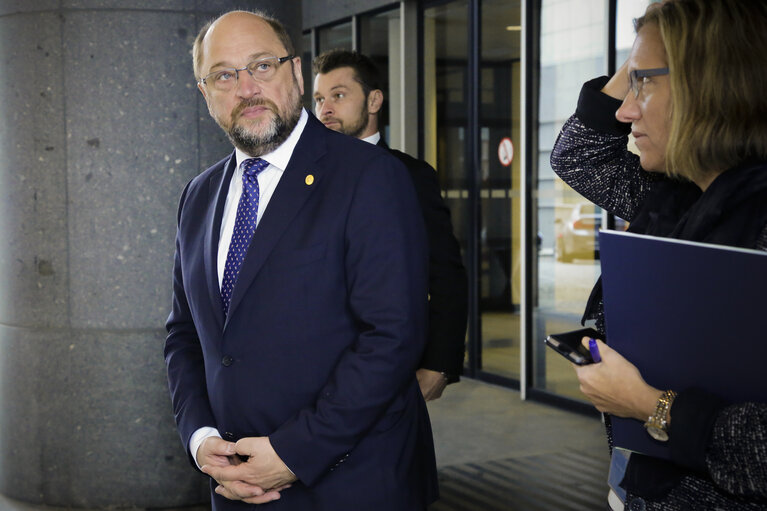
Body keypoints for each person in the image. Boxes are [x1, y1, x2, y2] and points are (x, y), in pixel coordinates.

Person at [164, 10, 438, 510]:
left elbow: (393, 335)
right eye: (224, 74)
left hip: (353, 484)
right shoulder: (198, 195)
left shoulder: (370, 176)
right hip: (235, 485)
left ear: (294, 71)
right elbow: (184, 333)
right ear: (205, 93)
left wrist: (293, 451)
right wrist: (201, 438)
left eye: (262, 66)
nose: (246, 87)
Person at [550, 1, 767, 509]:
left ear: (710, 87)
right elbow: (578, 152)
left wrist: (652, 406)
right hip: (642, 484)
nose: (624, 108)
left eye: (643, 81)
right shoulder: (674, 192)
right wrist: (662, 33)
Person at [312, 49, 468, 401]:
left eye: (338, 95)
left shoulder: (410, 176)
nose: (325, 109)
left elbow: (446, 275)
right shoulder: (302, 179)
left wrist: (439, 365)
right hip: (311, 370)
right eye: (320, 98)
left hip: (387, 370)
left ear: (374, 100)